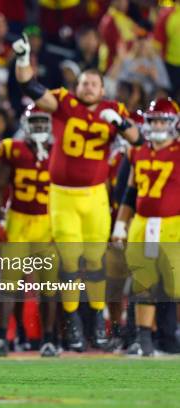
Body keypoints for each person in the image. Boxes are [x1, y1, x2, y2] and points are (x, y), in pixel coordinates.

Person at [13, 33, 139, 351]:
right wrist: (24, 60)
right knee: (69, 262)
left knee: (95, 261)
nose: (88, 87)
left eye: (94, 84)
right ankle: (72, 323)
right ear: (77, 85)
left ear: (103, 89)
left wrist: (121, 123)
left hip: (96, 195)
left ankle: (96, 318)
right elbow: (30, 87)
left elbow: (138, 139)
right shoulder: (64, 102)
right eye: (84, 82)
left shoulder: (114, 109)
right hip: (63, 195)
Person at [0, 104, 60, 358]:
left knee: (49, 286)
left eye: (44, 122)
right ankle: (1, 340)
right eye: (35, 122)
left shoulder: (58, 151)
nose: (40, 127)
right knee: (8, 284)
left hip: (47, 222)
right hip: (18, 221)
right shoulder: (13, 149)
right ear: (25, 123)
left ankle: (49, 340)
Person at [112, 98, 180, 356]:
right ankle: (143, 339)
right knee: (143, 281)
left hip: (174, 225)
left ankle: (166, 337)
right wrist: (120, 224)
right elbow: (130, 193)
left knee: (173, 285)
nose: (158, 125)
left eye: (163, 120)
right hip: (143, 224)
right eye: (153, 120)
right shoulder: (137, 151)